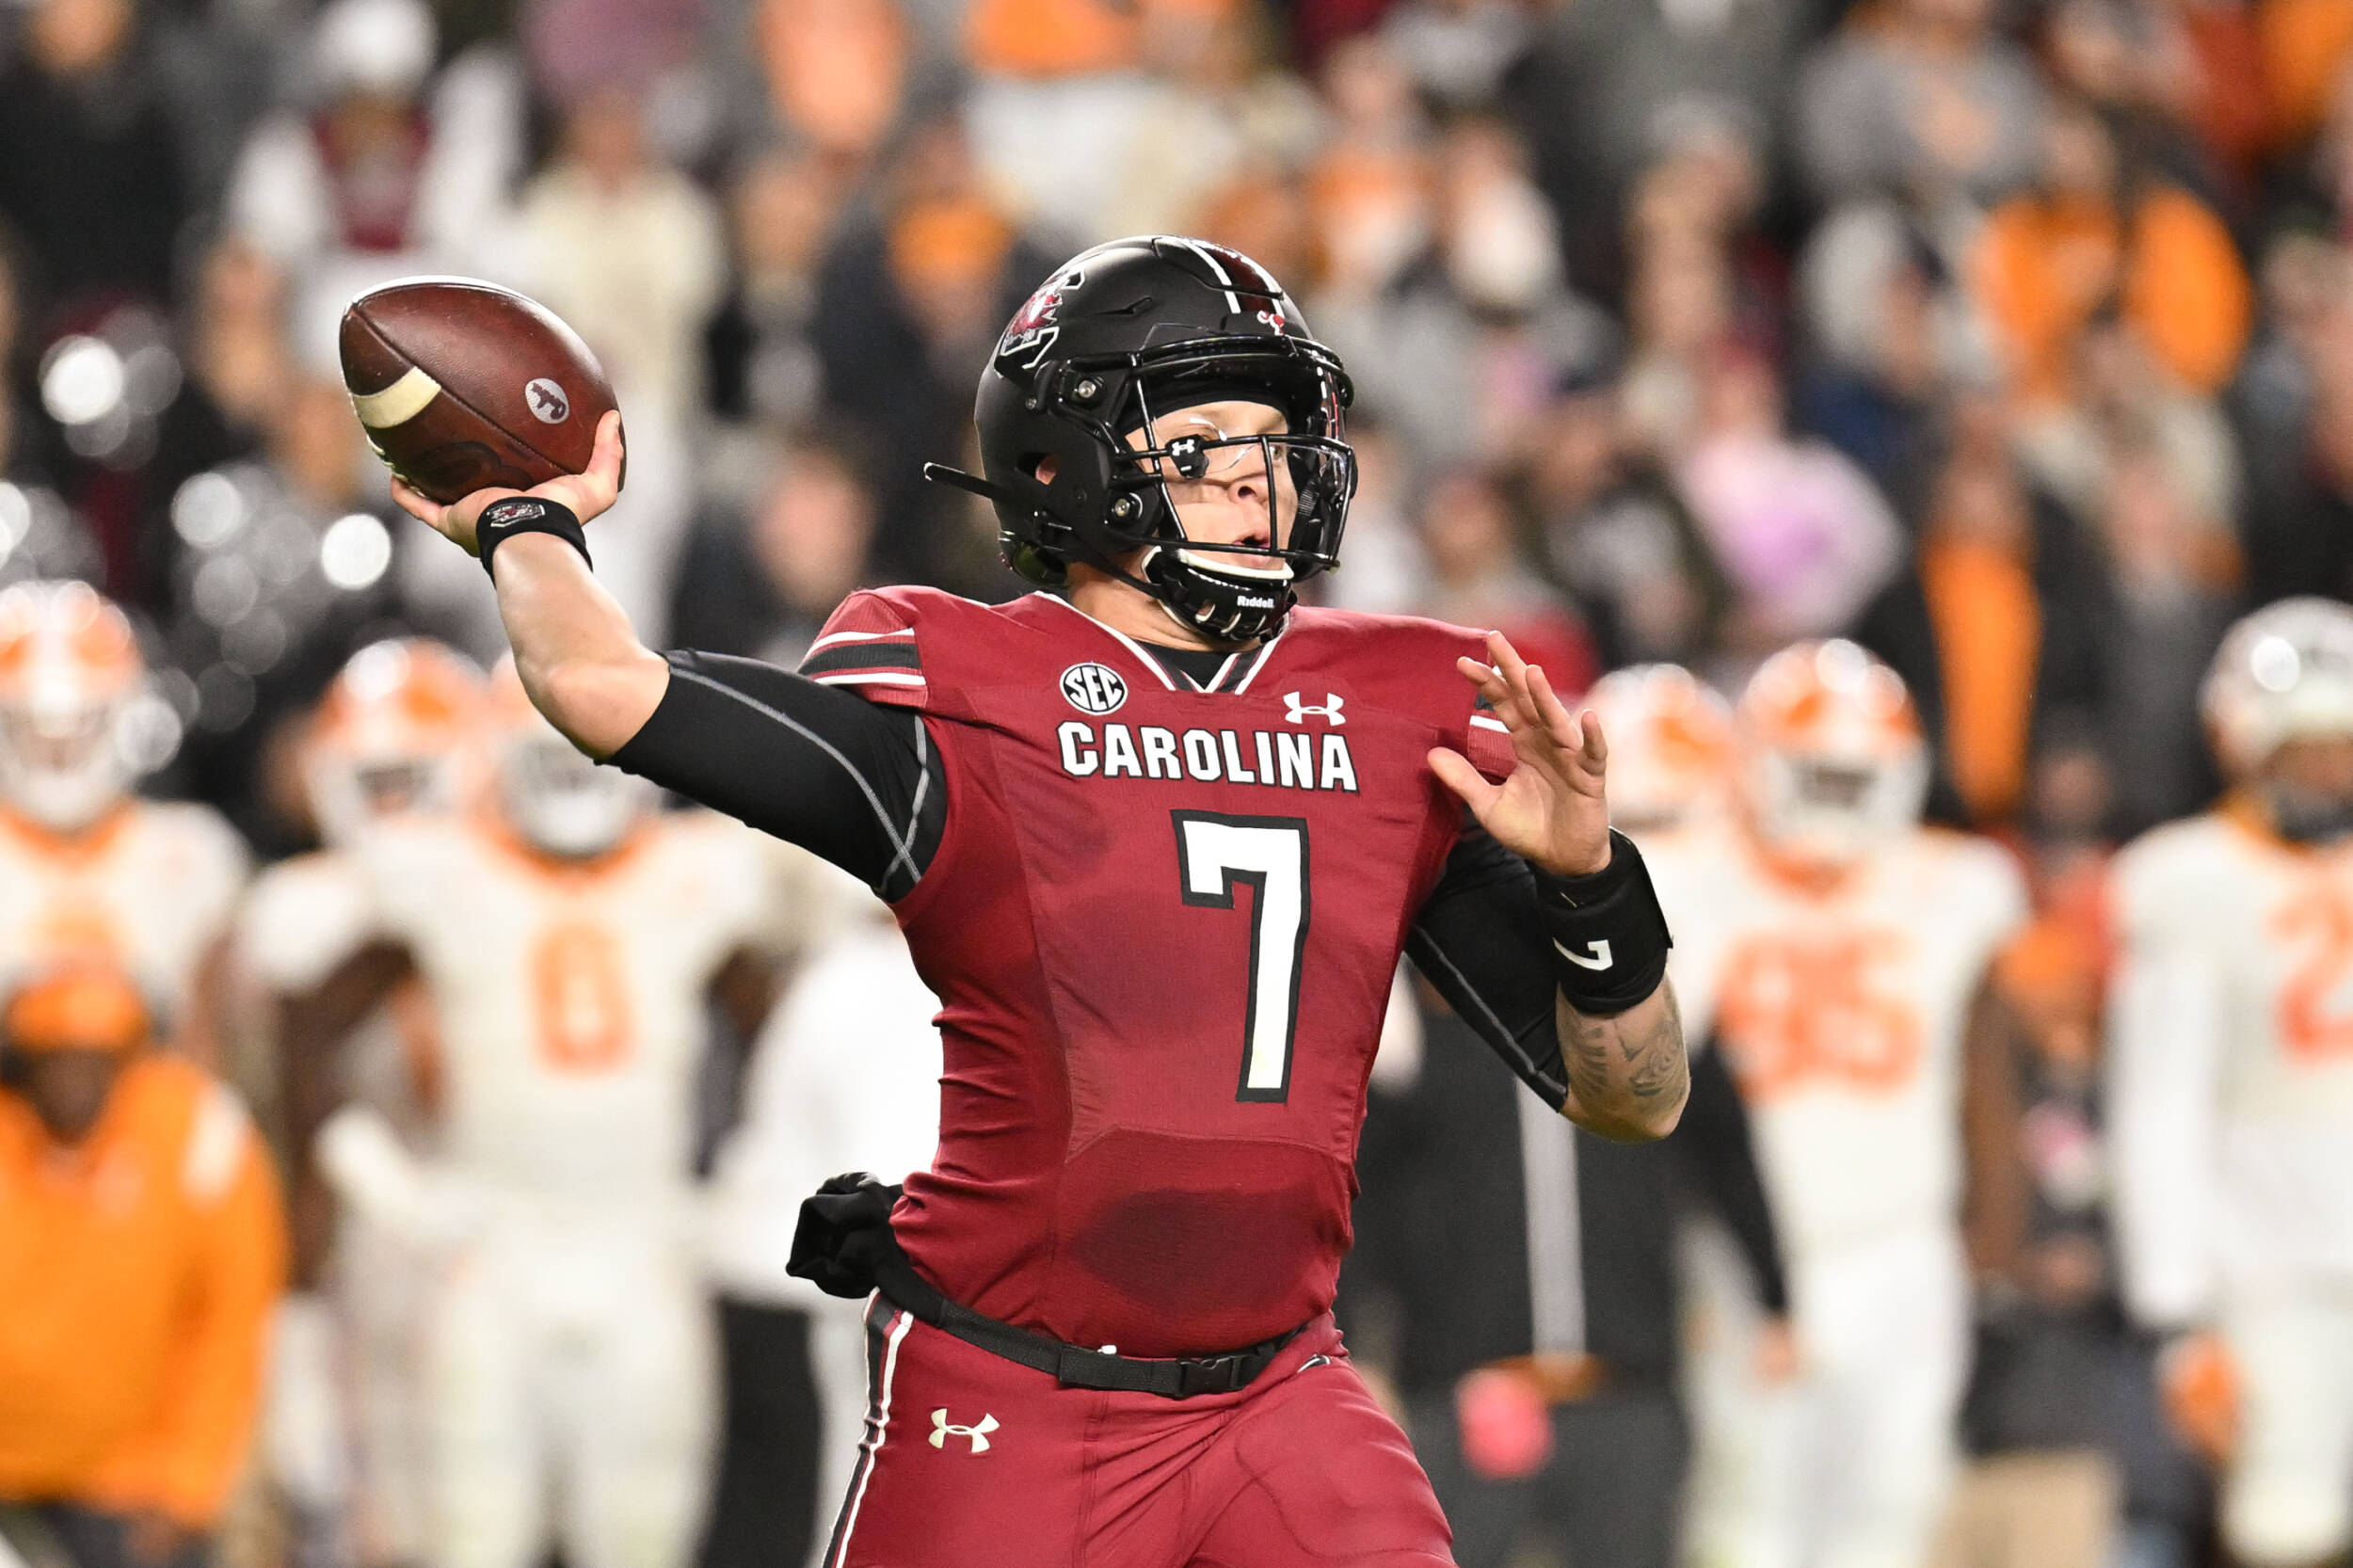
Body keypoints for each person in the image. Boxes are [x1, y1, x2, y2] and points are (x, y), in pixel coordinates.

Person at [389, 233, 1689, 1566]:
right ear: (1068, 464)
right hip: (1014, 1389)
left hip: (1277, 1393)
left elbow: (1633, 1098)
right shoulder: (968, 688)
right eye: (1206, 440)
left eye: (1274, 437)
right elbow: (602, 687)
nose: (1260, 476)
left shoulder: (1393, 706)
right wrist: (524, 521)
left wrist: (1592, 883)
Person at [280, 659, 809, 1568]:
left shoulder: (693, 874)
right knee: (474, 1535)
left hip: (641, 1241)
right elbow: (309, 1026)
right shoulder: (447, 871)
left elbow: (779, 1027)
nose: (575, 778)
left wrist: (743, 1172)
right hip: (497, 1245)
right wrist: (381, 1176)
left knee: (641, 1536)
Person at [1647, 639, 2029, 1568]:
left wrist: (1994, 1233)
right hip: (1745, 1254)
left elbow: (1988, 1075)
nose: (1835, 801)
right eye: (1817, 774)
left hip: (1904, 1241)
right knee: (1746, 1519)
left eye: (1855, 779)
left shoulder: (1958, 887)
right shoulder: (1679, 874)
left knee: (1893, 1509)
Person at [2107, 597, 2353, 1568]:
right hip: (2269, 1265)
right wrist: (2176, 1314)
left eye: (2341, 746)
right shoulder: (2185, 880)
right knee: (2286, 1520)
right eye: (2305, 747)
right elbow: (2157, 1108)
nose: (2328, 770)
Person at [235, 637, 488, 1568]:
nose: (392, 809)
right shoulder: (296, 903)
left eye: (410, 780)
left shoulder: (514, 883)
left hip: (498, 1223)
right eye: (372, 782)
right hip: (358, 1237)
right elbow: (282, 1100)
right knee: (365, 1508)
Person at [0, 964, 286, 1568]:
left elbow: (232, 1320)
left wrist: (189, 1480)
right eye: (56, 1057)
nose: (76, 1081)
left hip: (125, 1482)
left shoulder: (196, 1136)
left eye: (96, 1058)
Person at [0, 582, 248, 1063]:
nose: (58, 750)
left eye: (82, 724)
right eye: (32, 727)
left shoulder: (194, 851)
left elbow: (220, 1058)